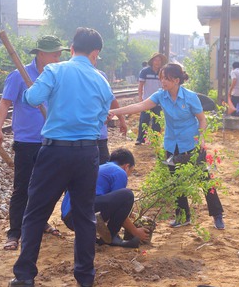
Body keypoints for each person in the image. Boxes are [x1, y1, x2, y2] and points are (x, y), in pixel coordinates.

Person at [9, 27, 120, 287]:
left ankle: (25, 275)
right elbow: (103, 116)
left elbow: (33, 98)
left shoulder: (55, 71)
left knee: (36, 212)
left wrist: (37, 95)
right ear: (95, 54)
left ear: (71, 49)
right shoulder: (101, 81)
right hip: (87, 154)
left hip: (55, 152)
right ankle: (85, 277)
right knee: (84, 216)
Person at [112, 63, 225, 230]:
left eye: (167, 78)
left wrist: (201, 139)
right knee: (176, 182)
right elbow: (140, 106)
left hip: (191, 144)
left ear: (177, 80)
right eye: (162, 78)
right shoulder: (161, 96)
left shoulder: (190, 97)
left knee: (204, 180)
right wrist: (116, 112)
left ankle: (217, 215)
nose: (163, 82)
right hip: (172, 144)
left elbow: (202, 119)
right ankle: (182, 216)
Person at [0, 35, 69, 251]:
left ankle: (39, 222)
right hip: (26, 142)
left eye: (59, 54)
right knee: (23, 188)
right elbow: (5, 104)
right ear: (41, 54)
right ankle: (15, 232)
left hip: (51, 140)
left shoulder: (58, 75)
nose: (58, 57)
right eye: (54, 54)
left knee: (46, 187)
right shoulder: (19, 76)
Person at [61, 148, 150, 247]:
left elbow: (111, 203)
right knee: (127, 195)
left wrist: (130, 214)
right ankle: (110, 238)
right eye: (131, 171)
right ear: (127, 166)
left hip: (69, 217)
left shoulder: (102, 168)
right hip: (81, 212)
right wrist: (135, 231)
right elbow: (120, 203)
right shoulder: (119, 172)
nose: (128, 176)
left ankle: (103, 236)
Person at [136, 52, 166, 145]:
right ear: (152, 61)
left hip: (159, 101)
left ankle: (155, 140)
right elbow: (140, 85)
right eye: (156, 60)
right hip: (147, 100)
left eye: (159, 60)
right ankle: (140, 139)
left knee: (157, 121)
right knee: (144, 119)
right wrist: (140, 98)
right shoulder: (145, 71)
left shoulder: (163, 72)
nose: (158, 62)